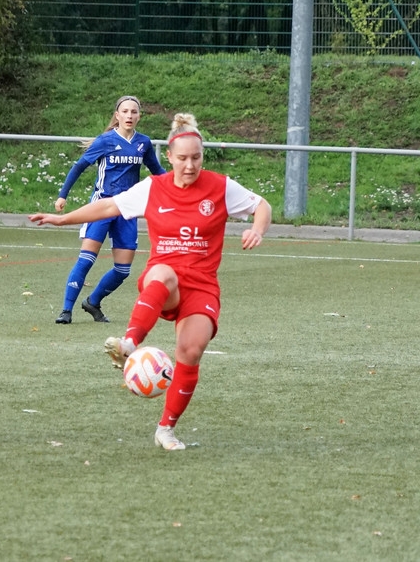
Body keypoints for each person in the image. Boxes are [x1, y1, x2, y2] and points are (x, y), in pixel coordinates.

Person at [29, 113, 271, 450]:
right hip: (164, 280)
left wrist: (257, 229)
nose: (190, 165)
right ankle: (129, 344)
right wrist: (62, 219)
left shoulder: (220, 187)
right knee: (163, 273)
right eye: (183, 158)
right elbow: (108, 207)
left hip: (201, 285)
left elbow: (262, 205)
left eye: (196, 158)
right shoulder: (153, 188)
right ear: (169, 157)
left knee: (191, 350)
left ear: (203, 156)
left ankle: (166, 429)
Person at [51, 95, 165, 325]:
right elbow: (79, 166)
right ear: (117, 115)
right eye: (125, 111)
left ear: (139, 116)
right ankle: (66, 311)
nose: (129, 115)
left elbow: (159, 173)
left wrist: (182, 188)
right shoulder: (105, 141)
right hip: (101, 206)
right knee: (86, 259)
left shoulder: (143, 143)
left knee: (123, 270)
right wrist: (63, 195)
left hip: (127, 209)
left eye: (134, 112)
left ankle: (93, 302)